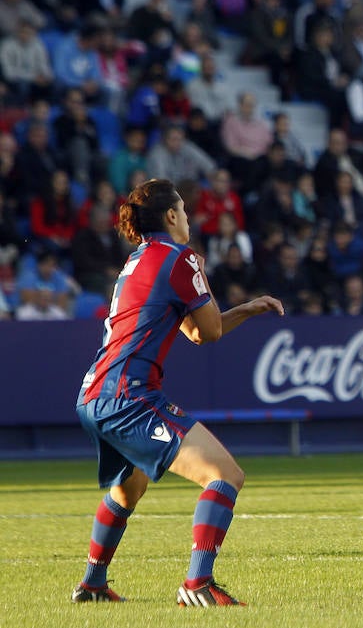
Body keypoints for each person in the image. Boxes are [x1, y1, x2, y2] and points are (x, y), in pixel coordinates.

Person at [71, 178, 283, 606]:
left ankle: (92, 583)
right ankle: (197, 583)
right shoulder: (179, 258)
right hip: (128, 394)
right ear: (171, 216)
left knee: (128, 489)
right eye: (184, 210)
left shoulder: (139, 259)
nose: (188, 217)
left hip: (94, 393)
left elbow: (197, 334)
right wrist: (203, 277)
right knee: (224, 475)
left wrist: (245, 308)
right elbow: (209, 331)